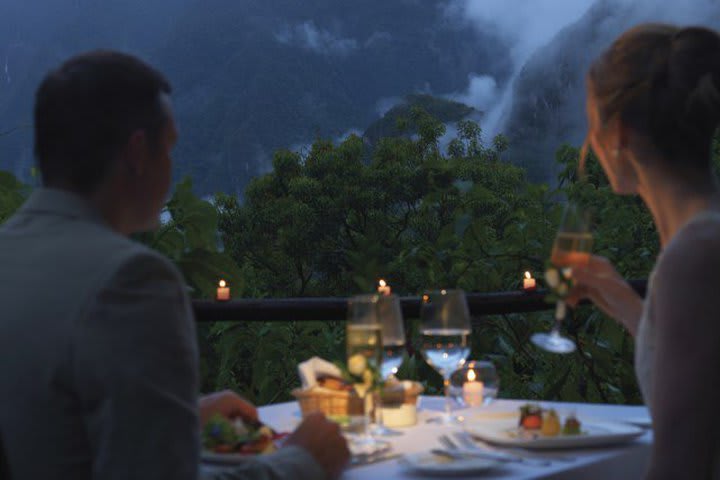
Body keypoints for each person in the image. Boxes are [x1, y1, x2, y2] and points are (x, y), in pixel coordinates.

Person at [0, 51, 349, 480]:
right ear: (138, 153)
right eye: (169, 148)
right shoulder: (129, 281)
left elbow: (51, 419)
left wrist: (183, 414)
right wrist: (303, 461)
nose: (171, 167)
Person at [567, 24, 720, 478]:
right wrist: (627, 305)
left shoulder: (694, 258)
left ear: (617, 136)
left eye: (591, 124)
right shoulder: (700, 245)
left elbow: (681, 467)